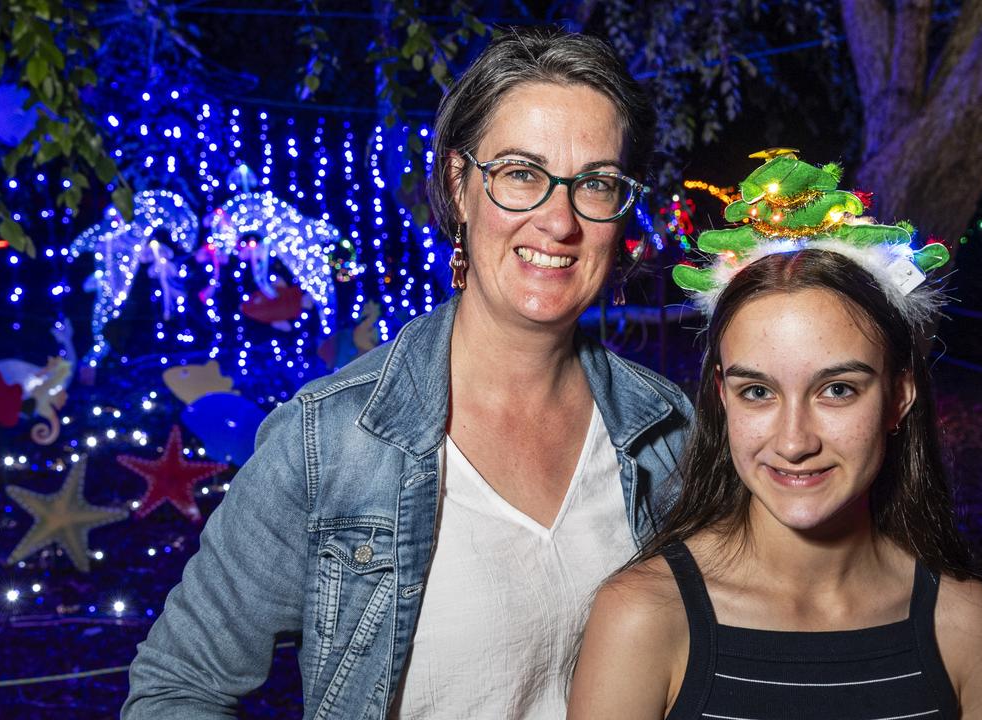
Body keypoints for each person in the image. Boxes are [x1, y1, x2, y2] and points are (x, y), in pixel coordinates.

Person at [122, 28, 693, 720]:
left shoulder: (670, 431)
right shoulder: (329, 439)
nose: (558, 220)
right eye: (520, 173)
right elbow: (177, 688)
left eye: (596, 182)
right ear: (459, 186)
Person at [568, 153, 982, 719]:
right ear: (721, 396)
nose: (793, 441)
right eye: (757, 392)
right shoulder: (644, 617)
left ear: (899, 396)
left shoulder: (964, 625)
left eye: (837, 390)